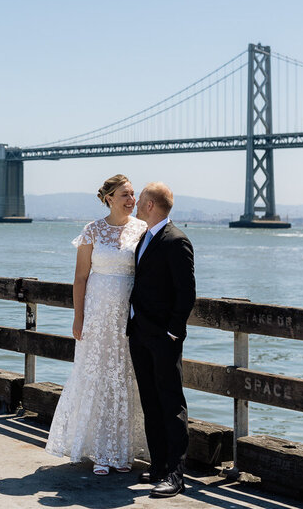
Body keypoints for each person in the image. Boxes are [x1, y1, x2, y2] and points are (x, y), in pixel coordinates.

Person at [45, 174, 148, 475]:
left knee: (125, 378)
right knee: (98, 376)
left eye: (133, 194)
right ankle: (100, 452)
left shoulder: (142, 230)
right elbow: (80, 278)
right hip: (97, 315)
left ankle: (122, 452)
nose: (132, 200)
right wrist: (78, 317)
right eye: (125, 195)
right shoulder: (92, 230)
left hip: (128, 316)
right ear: (109, 198)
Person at [128, 181, 196, 498]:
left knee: (171, 404)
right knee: (150, 402)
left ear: (151, 204)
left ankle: (175, 473)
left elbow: (186, 293)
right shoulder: (144, 236)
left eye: (140, 199)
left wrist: (173, 331)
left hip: (163, 338)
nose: (136, 203)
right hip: (139, 333)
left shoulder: (176, 241)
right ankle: (157, 466)